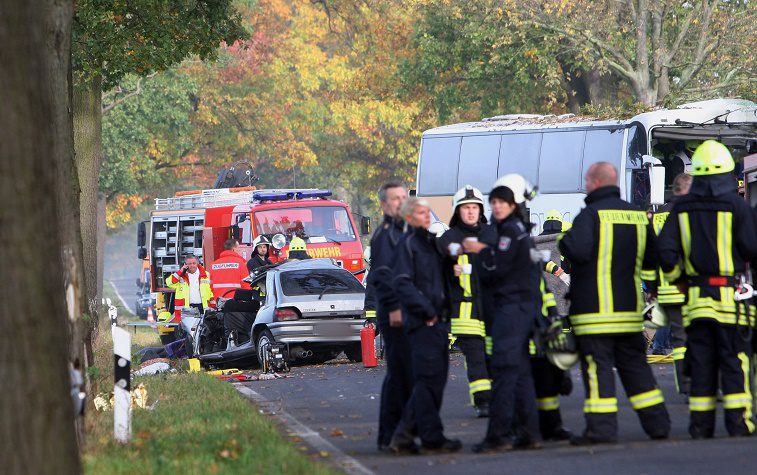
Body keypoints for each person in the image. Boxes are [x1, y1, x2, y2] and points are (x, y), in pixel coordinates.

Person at [559, 162, 670, 446]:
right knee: (637, 370)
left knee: (598, 372)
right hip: (630, 315)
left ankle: (601, 430)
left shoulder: (590, 215)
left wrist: (564, 239)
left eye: (586, 180)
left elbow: (576, 251)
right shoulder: (637, 215)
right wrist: (653, 291)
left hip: (595, 315)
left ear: (595, 182)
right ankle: (658, 424)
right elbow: (653, 259)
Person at [658, 141, 757, 438]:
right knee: (734, 361)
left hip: (697, 301)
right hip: (733, 300)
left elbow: (665, 253)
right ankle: (739, 424)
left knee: (700, 362)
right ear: (728, 172)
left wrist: (681, 280)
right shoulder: (737, 207)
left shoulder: (681, 208)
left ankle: (700, 427)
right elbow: (752, 248)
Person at [465, 175, 542, 453]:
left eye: (502, 202)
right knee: (521, 374)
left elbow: (497, 269)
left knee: (504, 372)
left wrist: (481, 252)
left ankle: (498, 436)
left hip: (510, 309)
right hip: (520, 309)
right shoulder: (518, 229)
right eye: (494, 202)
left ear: (513, 205)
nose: (497, 207)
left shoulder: (509, 232)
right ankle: (529, 433)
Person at [389, 197, 461, 454]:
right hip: (423, 323)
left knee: (435, 381)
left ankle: (409, 435)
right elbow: (403, 284)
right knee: (428, 379)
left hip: (439, 321)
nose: (427, 215)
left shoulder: (430, 243)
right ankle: (424, 436)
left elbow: (443, 270)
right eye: (421, 212)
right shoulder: (407, 245)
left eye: (427, 211)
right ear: (409, 217)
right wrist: (427, 310)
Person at [437, 185, 491, 418]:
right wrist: (451, 270)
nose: (470, 212)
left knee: (493, 358)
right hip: (465, 310)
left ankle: (497, 398)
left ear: (480, 210)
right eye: (466, 208)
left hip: (491, 310)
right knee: (476, 358)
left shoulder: (492, 235)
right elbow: (436, 272)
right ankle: (483, 402)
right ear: (458, 211)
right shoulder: (449, 239)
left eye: (474, 207)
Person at [367, 181, 410, 452]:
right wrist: (394, 308)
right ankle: (389, 435)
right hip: (395, 316)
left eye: (404, 197)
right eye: (396, 199)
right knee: (399, 375)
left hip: (408, 313)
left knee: (404, 375)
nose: (401, 202)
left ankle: (396, 433)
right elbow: (381, 276)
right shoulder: (385, 235)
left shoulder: (404, 231)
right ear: (384, 205)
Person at [651, 173, 693, 393]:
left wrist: (651, 286)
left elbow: (653, 250)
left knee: (677, 335)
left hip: (664, 283)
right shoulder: (691, 212)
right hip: (689, 284)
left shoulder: (657, 214)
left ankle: (684, 386)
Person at [166, 255, 214, 319]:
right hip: (187, 308)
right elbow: (169, 283)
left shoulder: (206, 275)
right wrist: (180, 271)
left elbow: (212, 291)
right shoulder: (180, 276)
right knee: (188, 328)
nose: (192, 265)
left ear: (197, 263)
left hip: (203, 307)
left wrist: (213, 307)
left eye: (194, 263)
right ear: (185, 265)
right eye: (189, 264)